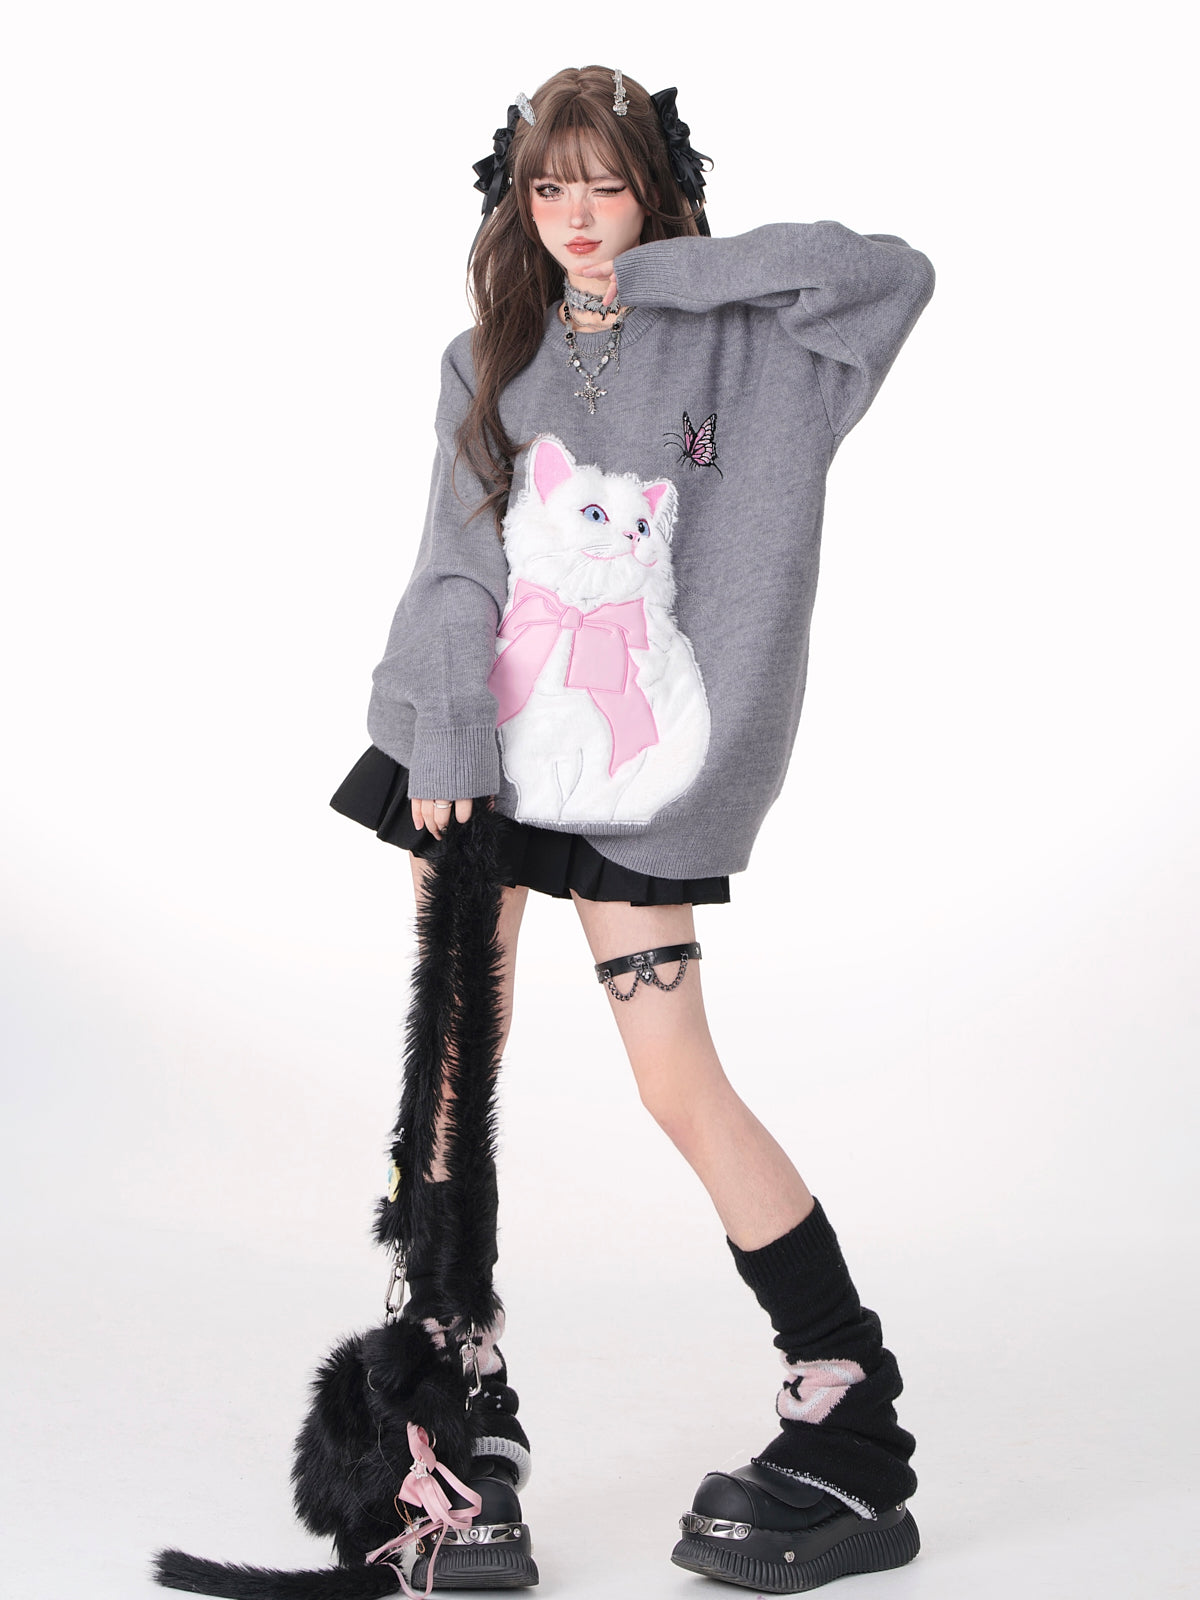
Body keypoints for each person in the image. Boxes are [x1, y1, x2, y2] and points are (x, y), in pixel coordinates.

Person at [331, 63, 935, 1594]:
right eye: (551, 188)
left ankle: (847, 1403)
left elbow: (889, 274)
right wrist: (448, 731)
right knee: (454, 1074)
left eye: (607, 184)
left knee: (675, 1080)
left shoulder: (760, 347)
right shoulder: (490, 356)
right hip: (476, 760)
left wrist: (663, 273)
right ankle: (459, 1408)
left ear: (655, 192)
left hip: (632, 771)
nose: (578, 216)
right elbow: (452, 562)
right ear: (517, 199)